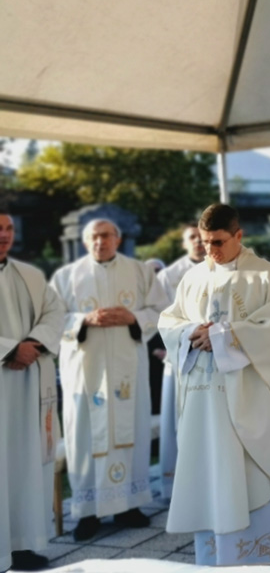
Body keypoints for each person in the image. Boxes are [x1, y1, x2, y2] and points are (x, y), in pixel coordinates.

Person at [159, 203, 270, 564]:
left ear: (239, 235)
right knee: (213, 477)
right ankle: (215, 561)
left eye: (218, 242)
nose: (210, 250)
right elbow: (168, 322)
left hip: (253, 402)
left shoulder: (268, 277)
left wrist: (223, 336)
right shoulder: (193, 278)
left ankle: (265, 561)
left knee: (250, 477)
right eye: (205, 242)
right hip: (205, 403)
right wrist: (190, 331)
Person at [50, 218, 162, 541]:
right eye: (94, 237)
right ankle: (88, 512)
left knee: (130, 430)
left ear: (118, 239)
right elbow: (51, 318)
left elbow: (163, 311)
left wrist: (133, 317)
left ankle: (128, 505)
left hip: (127, 372)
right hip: (85, 373)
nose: (100, 242)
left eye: (106, 236)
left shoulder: (140, 272)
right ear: (86, 242)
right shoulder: (66, 276)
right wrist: (83, 319)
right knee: (86, 436)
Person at [0, 213, 64, 571]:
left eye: (9, 229)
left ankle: (23, 544)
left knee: (24, 464)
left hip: (28, 386)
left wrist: (34, 344)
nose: (4, 235)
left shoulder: (31, 275)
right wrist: (11, 349)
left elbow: (55, 311)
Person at [152, 224, 206, 500]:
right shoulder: (168, 276)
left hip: (213, 354)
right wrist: (169, 344)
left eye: (201, 237)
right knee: (177, 421)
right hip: (179, 357)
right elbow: (158, 316)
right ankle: (177, 487)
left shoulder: (223, 270)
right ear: (184, 244)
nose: (197, 241)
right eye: (191, 238)